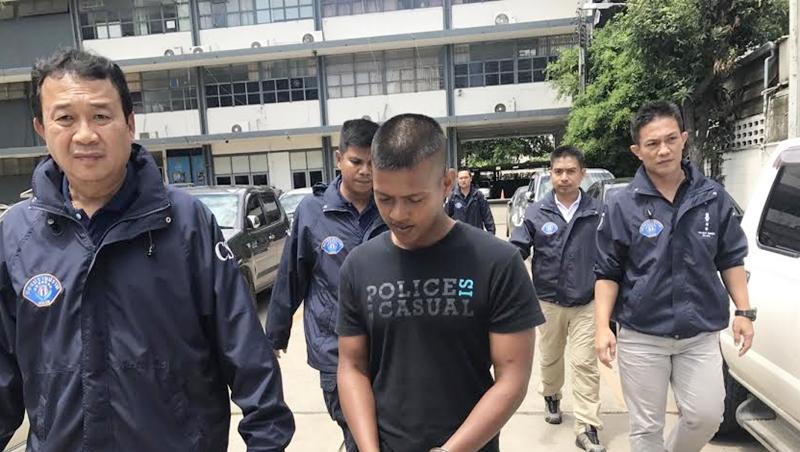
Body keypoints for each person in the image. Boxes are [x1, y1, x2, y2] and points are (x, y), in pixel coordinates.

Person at [0, 49, 294, 451]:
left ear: (129, 123)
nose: (85, 135)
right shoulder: (17, 234)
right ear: (41, 127)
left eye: (101, 116)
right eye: (65, 118)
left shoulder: (186, 223)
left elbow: (245, 351)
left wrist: (267, 442)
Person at [336, 113, 544, 452]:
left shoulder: (497, 263)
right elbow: (352, 367)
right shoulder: (359, 266)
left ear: (446, 183)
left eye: (414, 199)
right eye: (384, 198)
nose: (398, 214)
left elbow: (512, 378)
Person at [594, 100, 754, 452]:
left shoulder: (712, 196)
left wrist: (744, 311)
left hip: (699, 333)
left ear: (684, 138)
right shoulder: (622, 204)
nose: (663, 150)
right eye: (652, 143)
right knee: (646, 429)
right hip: (641, 334)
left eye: (670, 139)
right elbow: (607, 270)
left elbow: (730, 257)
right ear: (637, 151)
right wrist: (602, 326)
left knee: (706, 417)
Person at [266, 118, 386, 452]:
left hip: (388, 350)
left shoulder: (391, 205)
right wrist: (275, 336)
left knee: (385, 434)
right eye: (356, 161)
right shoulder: (313, 212)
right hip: (335, 350)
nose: (365, 171)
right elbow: (291, 276)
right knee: (358, 434)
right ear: (338, 158)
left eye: (373, 163)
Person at [509, 145, 605, 452]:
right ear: (550, 174)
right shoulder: (536, 212)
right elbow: (518, 248)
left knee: (585, 363)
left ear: (582, 174)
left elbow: (612, 254)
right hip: (548, 301)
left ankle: (587, 426)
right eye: (558, 171)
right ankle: (552, 395)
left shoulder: (597, 212)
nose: (564, 177)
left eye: (571, 171)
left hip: (586, 301)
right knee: (550, 358)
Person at [445, 170, 496, 234]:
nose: (463, 180)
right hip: (459, 235)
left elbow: (487, 217)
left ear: (470, 179)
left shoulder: (478, 196)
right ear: (457, 180)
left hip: (476, 234)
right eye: (461, 178)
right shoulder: (453, 197)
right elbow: (446, 217)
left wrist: (491, 234)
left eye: (466, 177)